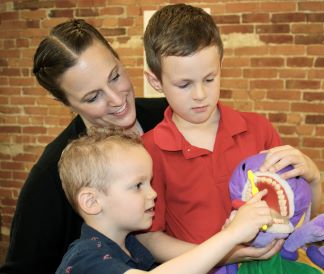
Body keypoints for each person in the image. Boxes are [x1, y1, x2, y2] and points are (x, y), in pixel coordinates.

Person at [0, 18, 282, 274]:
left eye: (115, 76)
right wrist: (227, 248)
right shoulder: (49, 177)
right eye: (93, 96)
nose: (116, 99)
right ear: (67, 103)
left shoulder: (173, 114)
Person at [138, 3, 322, 272]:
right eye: (184, 84)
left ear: (221, 66)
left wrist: (314, 178)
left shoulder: (258, 129)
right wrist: (226, 253)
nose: (200, 94)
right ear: (156, 81)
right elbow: (149, 239)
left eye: (209, 79)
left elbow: (302, 216)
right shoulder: (149, 151)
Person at [55, 129, 273, 274]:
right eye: (138, 185)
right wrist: (230, 236)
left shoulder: (131, 246)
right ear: (91, 201)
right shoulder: (85, 259)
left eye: (150, 182)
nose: (153, 194)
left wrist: (231, 245)